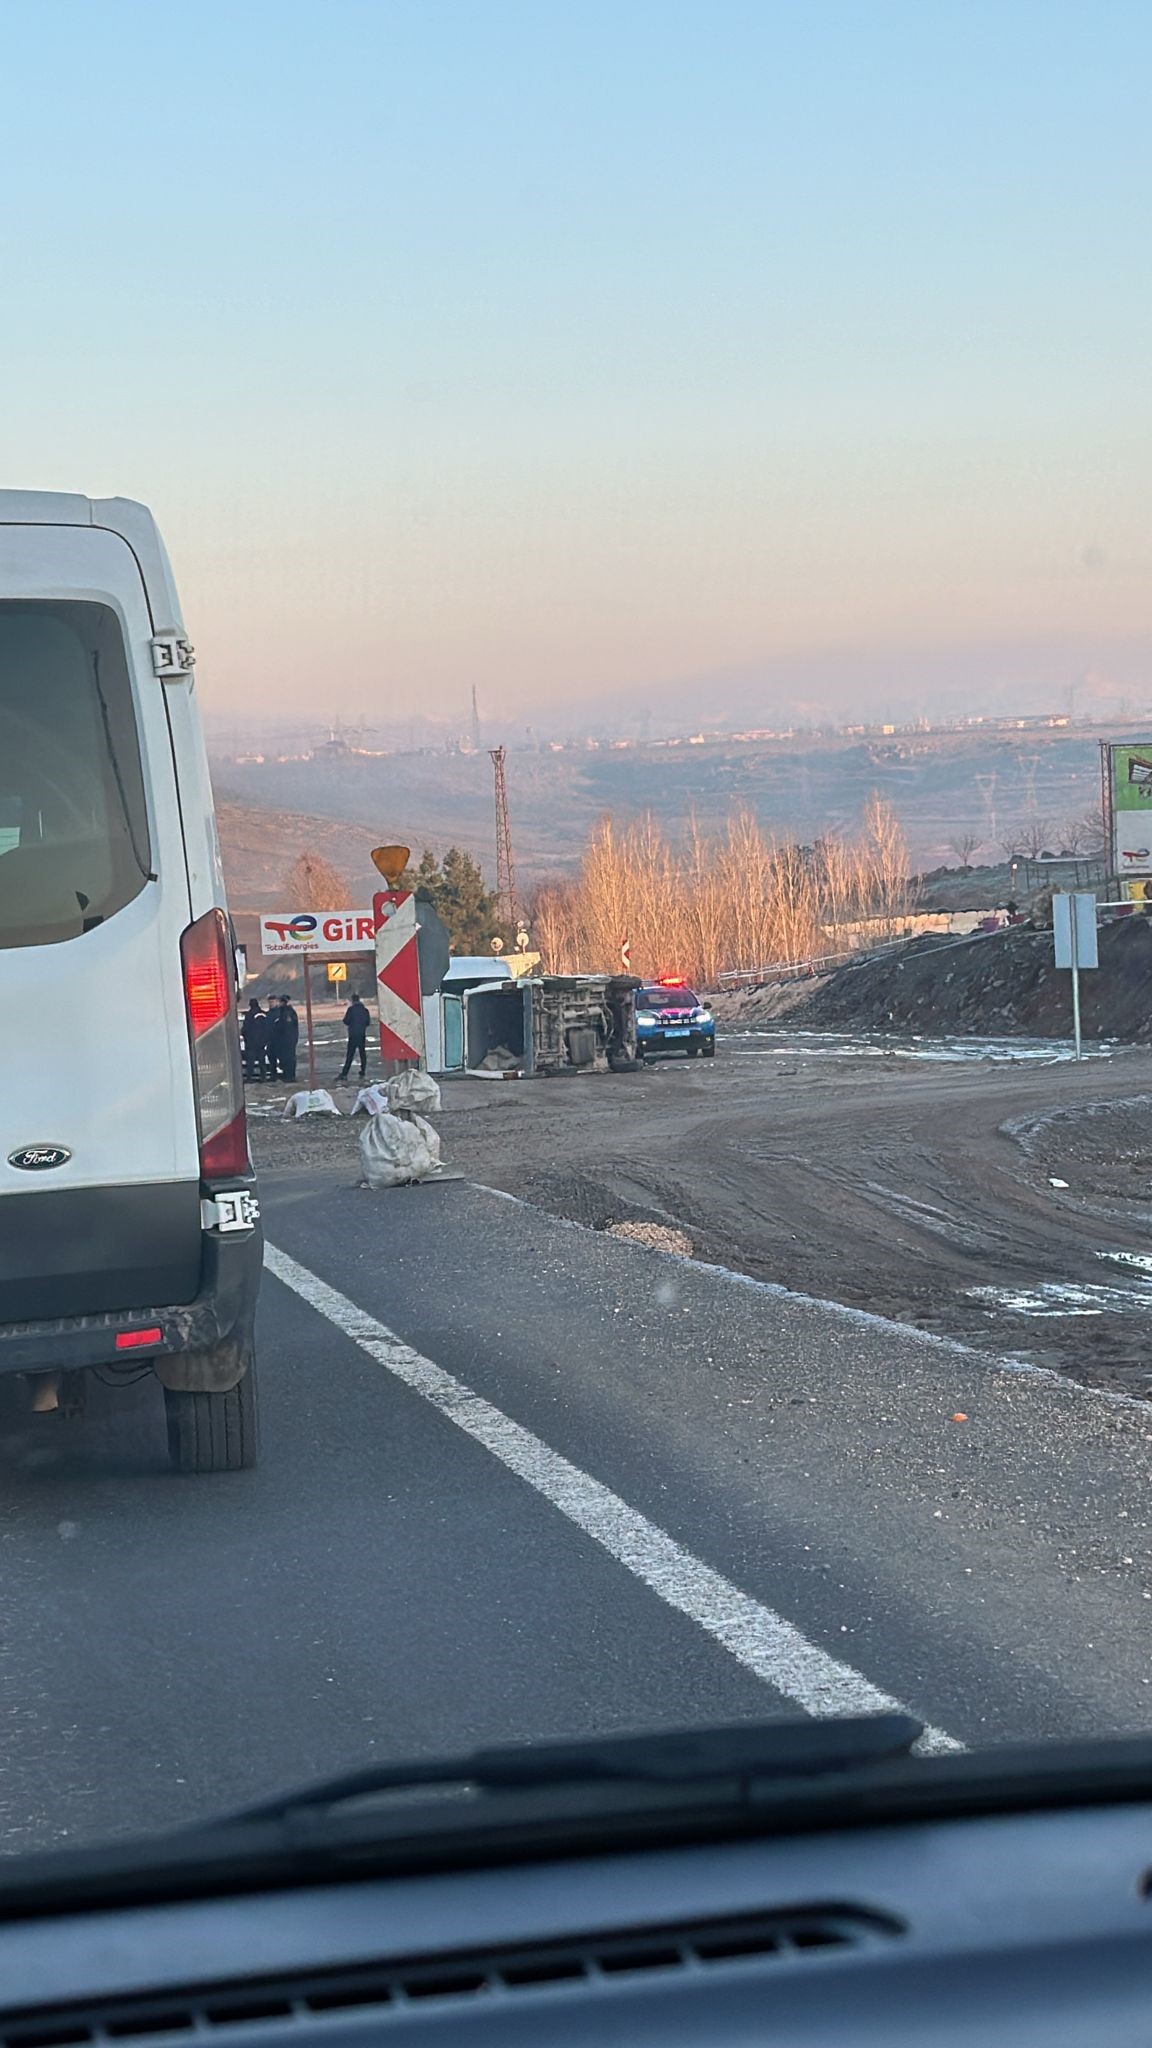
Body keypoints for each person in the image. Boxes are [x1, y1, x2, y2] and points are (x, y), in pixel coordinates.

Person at [267, 993, 299, 1081]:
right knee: (284, 1058)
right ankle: (287, 1075)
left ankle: (289, 1076)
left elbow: (286, 1028)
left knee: (288, 1059)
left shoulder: (286, 1013)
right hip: (282, 1040)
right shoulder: (284, 1012)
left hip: (286, 1040)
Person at [339, 993, 371, 1081]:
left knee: (350, 1054)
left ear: (352, 1000)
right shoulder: (365, 1010)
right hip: (361, 1034)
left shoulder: (351, 1010)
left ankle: (344, 1073)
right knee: (362, 1053)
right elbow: (368, 1022)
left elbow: (346, 1021)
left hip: (353, 1035)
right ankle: (363, 1070)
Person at [241, 998, 269, 1081]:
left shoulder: (249, 1015)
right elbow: (268, 1027)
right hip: (262, 1042)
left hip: (251, 1042)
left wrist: (244, 1036)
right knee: (261, 1061)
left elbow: (245, 1029)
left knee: (250, 1062)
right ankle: (263, 1077)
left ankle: (249, 1077)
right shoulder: (264, 1014)